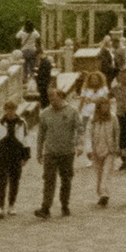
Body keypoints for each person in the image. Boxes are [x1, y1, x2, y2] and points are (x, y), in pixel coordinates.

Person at [34, 84, 82, 218]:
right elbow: (41, 134)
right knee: (49, 180)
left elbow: (79, 129)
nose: (51, 100)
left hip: (67, 152)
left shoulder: (72, 111)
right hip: (50, 152)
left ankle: (64, 204)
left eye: (54, 97)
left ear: (60, 96)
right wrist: (39, 152)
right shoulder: (45, 113)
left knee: (66, 180)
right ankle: (45, 207)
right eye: (49, 97)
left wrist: (79, 145)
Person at [0, 99, 31, 218]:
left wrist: (26, 156)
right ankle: (0, 207)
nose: (10, 112)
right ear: (5, 110)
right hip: (2, 154)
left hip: (16, 154)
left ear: (15, 110)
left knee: (14, 181)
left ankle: (12, 205)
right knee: (1, 181)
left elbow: (25, 139)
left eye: (12, 110)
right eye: (8, 110)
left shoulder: (22, 123)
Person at [87, 94, 120, 208]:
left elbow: (117, 133)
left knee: (106, 173)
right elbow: (88, 134)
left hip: (109, 149)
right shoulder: (93, 119)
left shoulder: (113, 118)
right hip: (96, 149)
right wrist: (89, 149)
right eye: (103, 106)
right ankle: (101, 193)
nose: (105, 108)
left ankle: (104, 194)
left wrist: (117, 148)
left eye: (107, 105)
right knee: (99, 173)